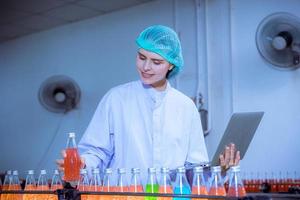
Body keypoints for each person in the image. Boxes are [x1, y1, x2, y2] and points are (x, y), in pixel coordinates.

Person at [56, 25, 240, 183]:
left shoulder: (185, 107)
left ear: (171, 65)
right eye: (142, 57)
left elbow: (194, 169)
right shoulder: (116, 98)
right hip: (122, 195)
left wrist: (221, 169)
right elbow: (97, 152)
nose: (145, 67)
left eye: (156, 62)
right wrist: (82, 164)